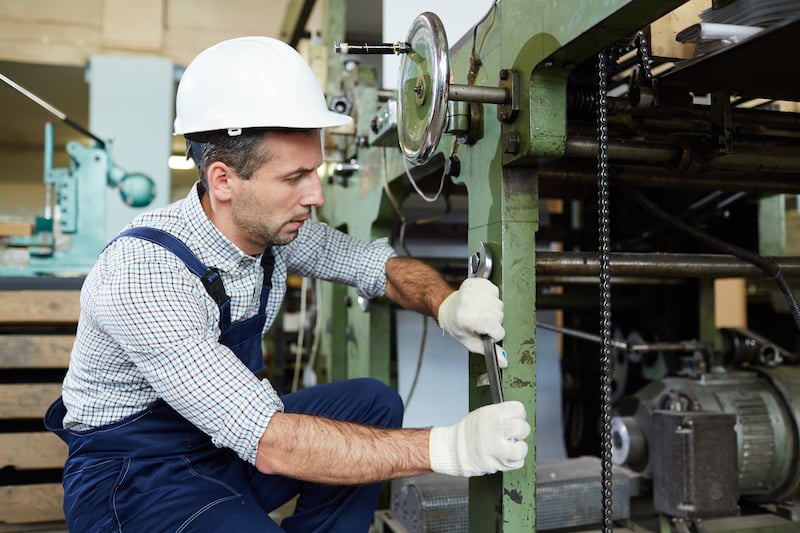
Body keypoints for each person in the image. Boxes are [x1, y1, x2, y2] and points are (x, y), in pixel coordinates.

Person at [44, 36, 529, 532]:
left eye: (314, 171)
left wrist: (447, 304)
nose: (316, 194)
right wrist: (450, 447)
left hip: (218, 449)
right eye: (295, 177)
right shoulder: (144, 272)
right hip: (134, 480)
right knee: (292, 441)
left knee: (371, 403)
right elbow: (271, 441)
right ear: (224, 180)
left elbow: (372, 266)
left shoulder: (270, 230)